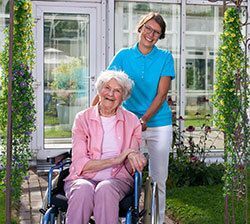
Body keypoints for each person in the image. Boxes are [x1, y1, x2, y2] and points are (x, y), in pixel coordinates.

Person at [106, 12, 175, 224]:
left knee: (158, 179)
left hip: (158, 125)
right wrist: (91, 115)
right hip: (127, 125)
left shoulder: (165, 57)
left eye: (156, 32)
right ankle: (127, 217)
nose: (150, 34)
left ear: (160, 36)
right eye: (148, 28)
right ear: (140, 27)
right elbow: (106, 87)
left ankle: (157, 221)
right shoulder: (123, 56)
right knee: (121, 173)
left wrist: (144, 119)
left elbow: (162, 94)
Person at [64, 70, 147, 224]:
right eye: (107, 88)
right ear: (99, 90)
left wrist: (136, 159)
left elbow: (130, 167)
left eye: (117, 91)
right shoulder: (82, 118)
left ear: (123, 97)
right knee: (82, 190)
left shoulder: (132, 121)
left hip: (117, 180)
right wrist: (116, 159)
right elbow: (80, 164)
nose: (111, 94)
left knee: (105, 189)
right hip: (83, 177)